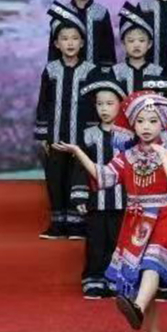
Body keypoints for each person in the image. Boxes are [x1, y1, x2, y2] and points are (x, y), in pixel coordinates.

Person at [55, 91, 167, 332]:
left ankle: (137, 307)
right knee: (143, 274)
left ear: (163, 125)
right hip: (136, 219)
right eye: (140, 121)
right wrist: (78, 152)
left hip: (164, 216)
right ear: (132, 124)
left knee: (152, 263)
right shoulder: (127, 156)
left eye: (153, 121)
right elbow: (103, 176)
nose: (146, 126)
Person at [34, 12, 95, 239]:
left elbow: (95, 104)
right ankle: (58, 224)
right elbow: (43, 102)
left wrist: (92, 134)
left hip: (81, 137)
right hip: (56, 135)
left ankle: (77, 225)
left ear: (82, 43)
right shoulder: (51, 69)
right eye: (65, 38)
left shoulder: (90, 70)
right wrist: (43, 135)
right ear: (57, 44)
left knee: (78, 179)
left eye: (75, 38)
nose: (70, 43)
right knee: (56, 179)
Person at [68, 76, 129, 299]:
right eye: (100, 104)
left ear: (121, 104)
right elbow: (80, 167)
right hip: (96, 199)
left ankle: (115, 279)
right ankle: (93, 278)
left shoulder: (130, 135)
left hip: (123, 199)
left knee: (119, 241)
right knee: (96, 242)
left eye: (109, 103)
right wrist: (80, 196)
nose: (104, 108)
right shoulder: (88, 135)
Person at [103, 3, 164, 93]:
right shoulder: (116, 71)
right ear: (123, 44)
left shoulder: (157, 71)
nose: (136, 45)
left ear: (149, 44)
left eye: (141, 40)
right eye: (131, 41)